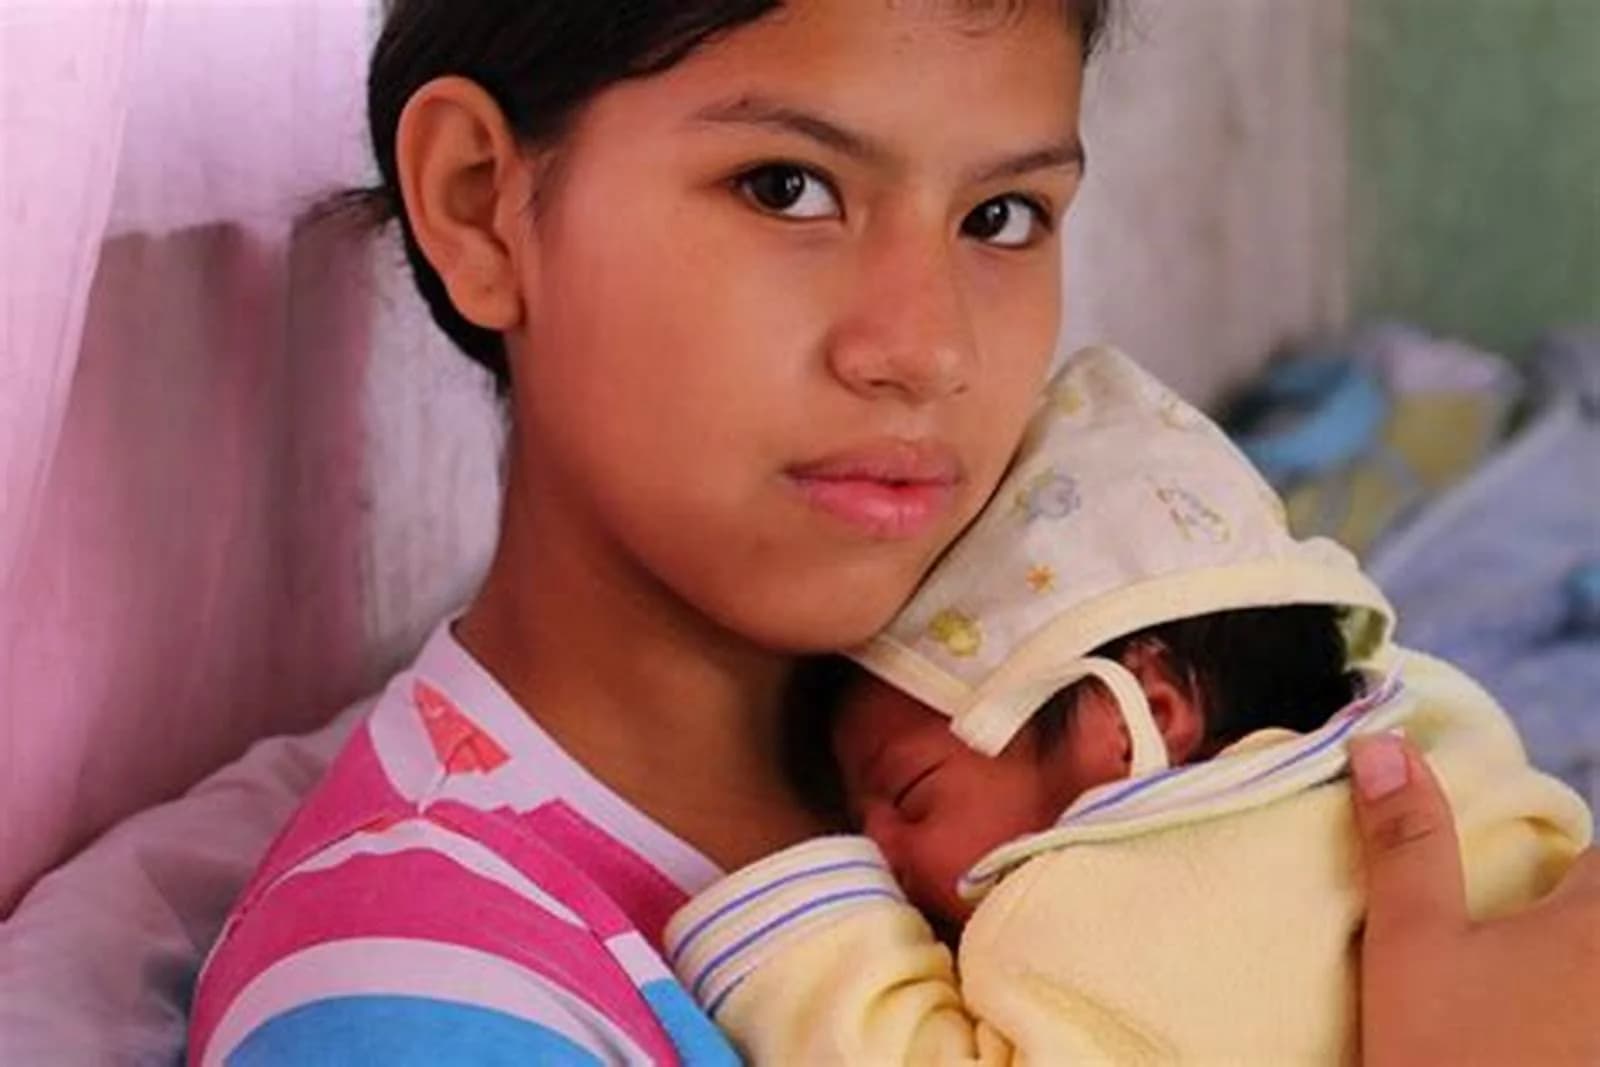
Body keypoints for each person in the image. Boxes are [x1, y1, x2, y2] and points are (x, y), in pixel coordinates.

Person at [187, 2, 1600, 1064]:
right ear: (481, 202)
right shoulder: (424, 993)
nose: (924, 348)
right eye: (787, 187)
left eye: (1002, 213)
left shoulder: (1110, 722)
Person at [662, 345, 1591, 1062]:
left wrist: (814, 936)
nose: (875, 854)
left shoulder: (1102, 926)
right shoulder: (1437, 727)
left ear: (1141, 707)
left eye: (910, 796)